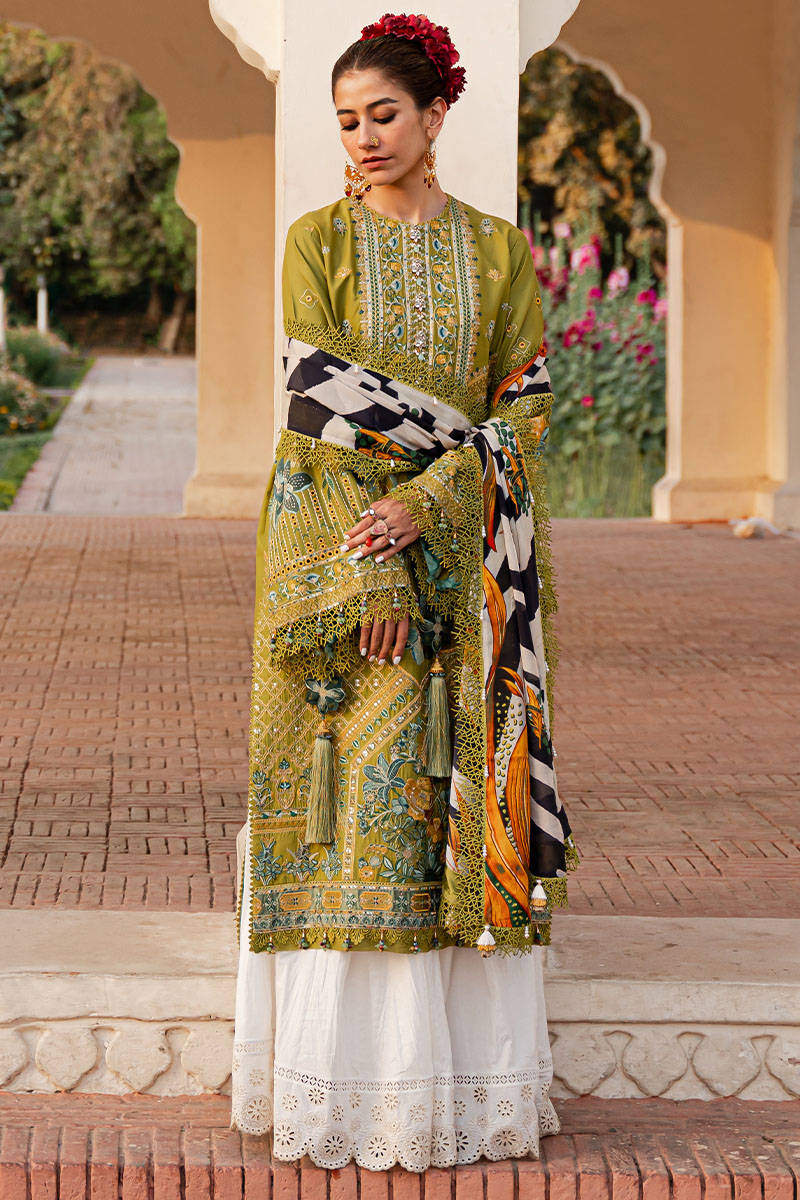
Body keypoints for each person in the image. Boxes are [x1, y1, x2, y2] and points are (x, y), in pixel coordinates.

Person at [230, 11, 579, 1173]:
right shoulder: (316, 243)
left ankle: (462, 1087)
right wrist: (367, 567)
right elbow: (317, 417)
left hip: (463, 558)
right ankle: (350, 1088)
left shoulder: (495, 252)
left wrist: (428, 508)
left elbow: (523, 404)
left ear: (434, 115)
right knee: (366, 805)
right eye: (346, 121)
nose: (364, 137)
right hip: (343, 562)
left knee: (450, 795)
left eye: (383, 114)